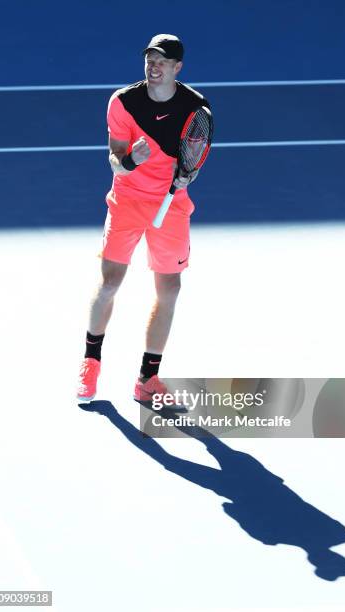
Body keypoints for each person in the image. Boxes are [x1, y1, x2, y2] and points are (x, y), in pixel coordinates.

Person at [77, 34, 211, 404]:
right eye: (150, 60)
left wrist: (187, 176)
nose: (154, 66)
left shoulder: (195, 107)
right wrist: (133, 159)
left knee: (169, 290)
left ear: (177, 67)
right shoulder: (123, 102)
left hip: (171, 208)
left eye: (163, 61)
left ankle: (147, 378)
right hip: (128, 203)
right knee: (110, 282)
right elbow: (115, 163)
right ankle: (91, 361)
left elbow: (193, 160)